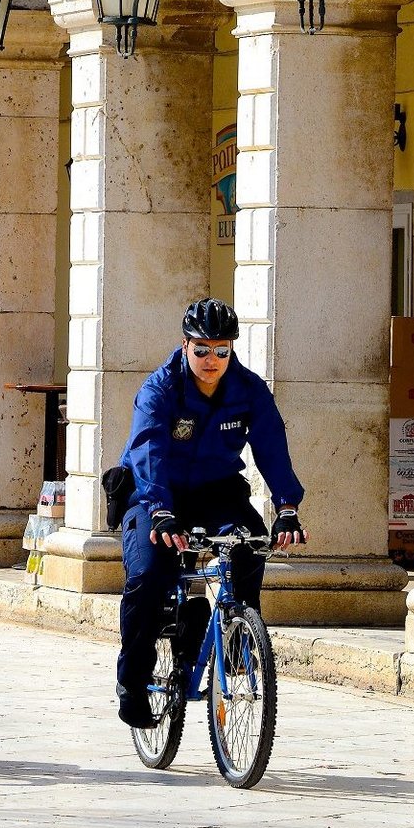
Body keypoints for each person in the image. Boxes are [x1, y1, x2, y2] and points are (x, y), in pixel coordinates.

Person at [114, 297, 307, 728]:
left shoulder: (249, 390)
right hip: (154, 496)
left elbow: (273, 448)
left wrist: (287, 507)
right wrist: (161, 511)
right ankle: (132, 680)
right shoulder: (159, 389)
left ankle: (239, 636)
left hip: (216, 490)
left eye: (222, 350)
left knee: (251, 542)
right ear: (185, 346)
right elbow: (148, 452)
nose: (211, 360)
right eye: (202, 350)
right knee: (149, 574)